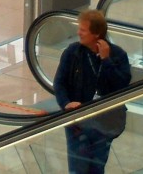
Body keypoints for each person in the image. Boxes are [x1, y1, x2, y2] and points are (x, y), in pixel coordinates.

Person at [53, 10, 132, 174]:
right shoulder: (72, 52)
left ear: (96, 34)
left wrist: (106, 60)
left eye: (83, 30)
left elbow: (121, 86)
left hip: (104, 123)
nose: (78, 33)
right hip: (78, 122)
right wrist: (66, 104)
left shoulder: (117, 55)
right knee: (78, 169)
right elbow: (59, 83)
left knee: (97, 168)